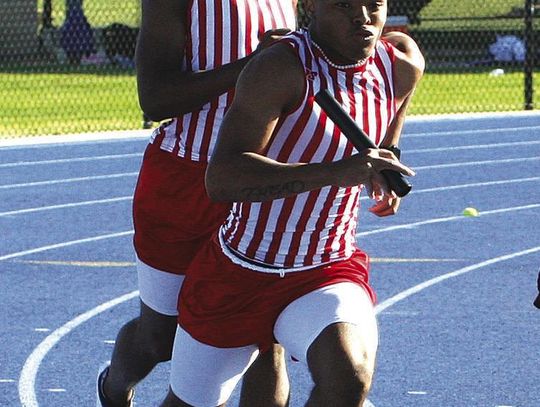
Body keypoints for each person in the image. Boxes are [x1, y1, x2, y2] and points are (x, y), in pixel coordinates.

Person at [160, 0, 425, 405]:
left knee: (348, 377)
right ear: (313, 6)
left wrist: (383, 173)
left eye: (374, 3)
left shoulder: (402, 63)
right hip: (240, 271)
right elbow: (223, 178)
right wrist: (336, 172)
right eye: (344, 5)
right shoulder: (280, 68)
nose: (363, 16)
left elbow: (385, 143)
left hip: (324, 268)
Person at [96, 0, 298, 406]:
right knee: (162, 338)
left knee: (265, 335)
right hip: (183, 182)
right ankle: (114, 385)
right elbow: (154, 99)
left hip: (255, 181)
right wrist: (255, 65)